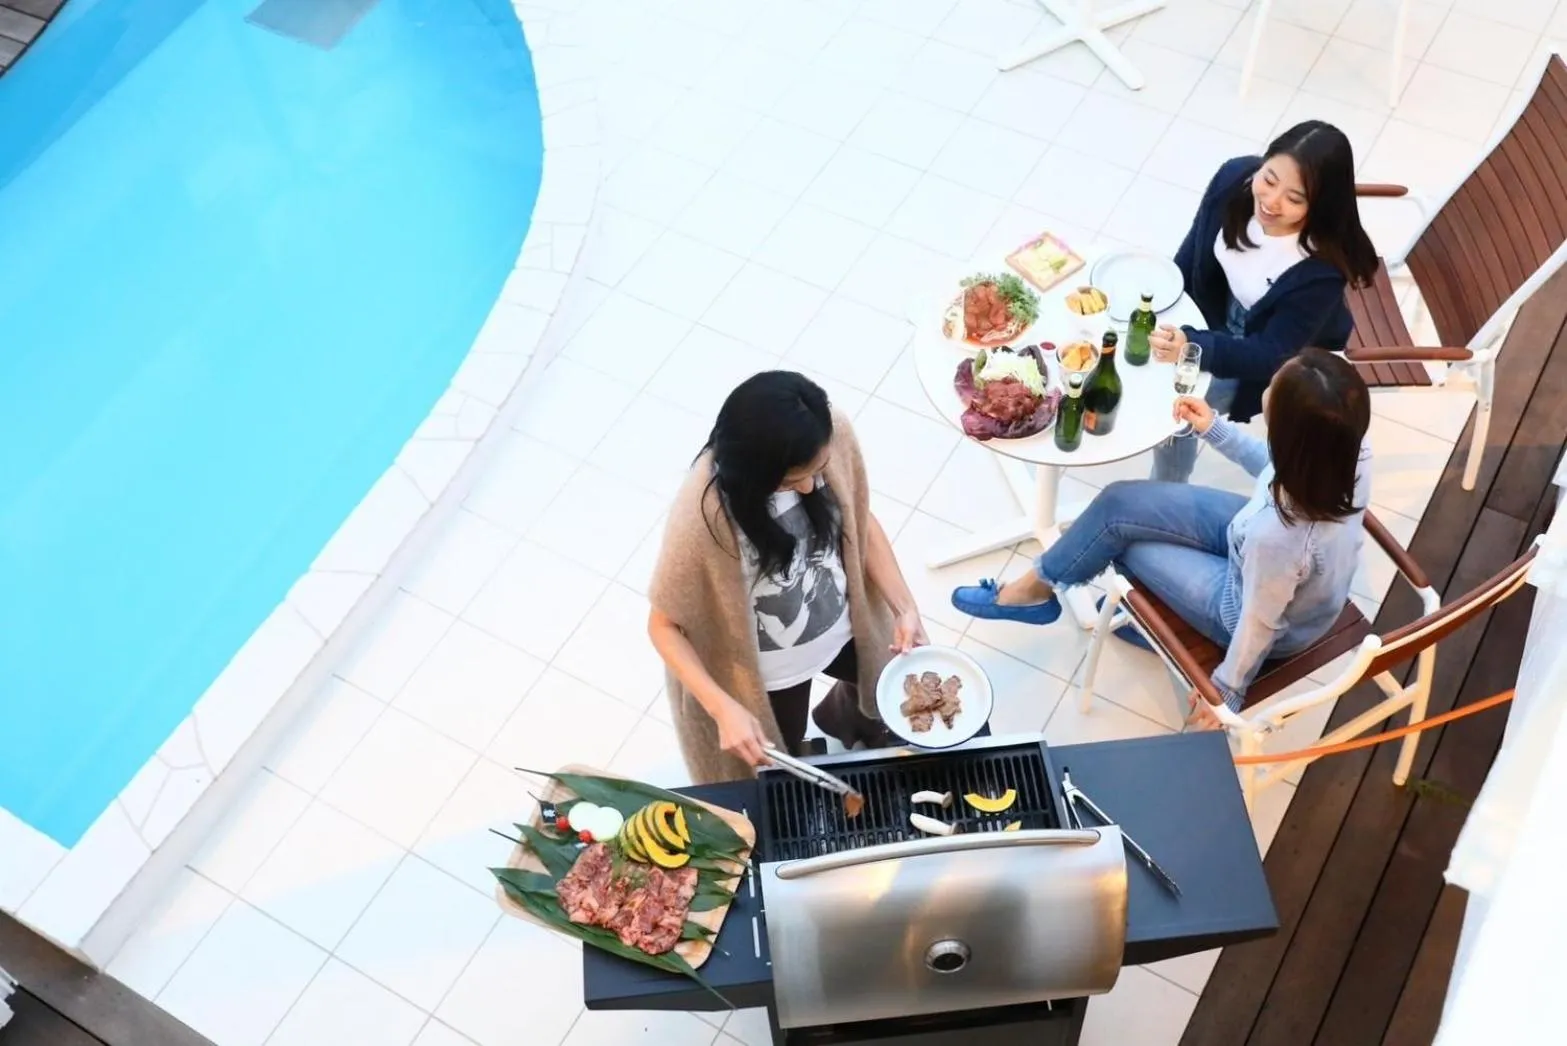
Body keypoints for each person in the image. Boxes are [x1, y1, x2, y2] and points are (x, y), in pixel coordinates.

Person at [951, 349, 1371, 726]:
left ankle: (1149, 627)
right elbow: (1277, 466)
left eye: (1276, 384)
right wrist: (1215, 430)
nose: (1270, 381)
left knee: (1119, 541)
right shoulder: (1345, 451)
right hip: (1258, 547)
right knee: (1118, 503)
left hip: (1246, 606)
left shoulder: (1281, 537)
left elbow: (1260, 621)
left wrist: (1228, 689)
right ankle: (1037, 589)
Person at [648, 371, 927, 783]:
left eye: (820, 470)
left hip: (845, 625)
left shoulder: (827, 436)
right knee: (782, 757)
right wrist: (724, 708)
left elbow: (859, 518)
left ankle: (848, 720)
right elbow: (662, 626)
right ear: (756, 471)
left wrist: (905, 607)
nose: (814, 486)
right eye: (794, 479)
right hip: (771, 672)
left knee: (886, 691)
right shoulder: (702, 517)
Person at [1150, 120, 1379, 484]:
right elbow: (1193, 252)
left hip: (1265, 353)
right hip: (1214, 311)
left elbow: (1270, 355)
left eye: (1295, 198)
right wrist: (1166, 306)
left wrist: (1193, 346)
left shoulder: (1318, 270)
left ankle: (1165, 491)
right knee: (1147, 360)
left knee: (1173, 409)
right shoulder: (1234, 178)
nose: (1272, 202)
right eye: (1270, 179)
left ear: (1318, 205)